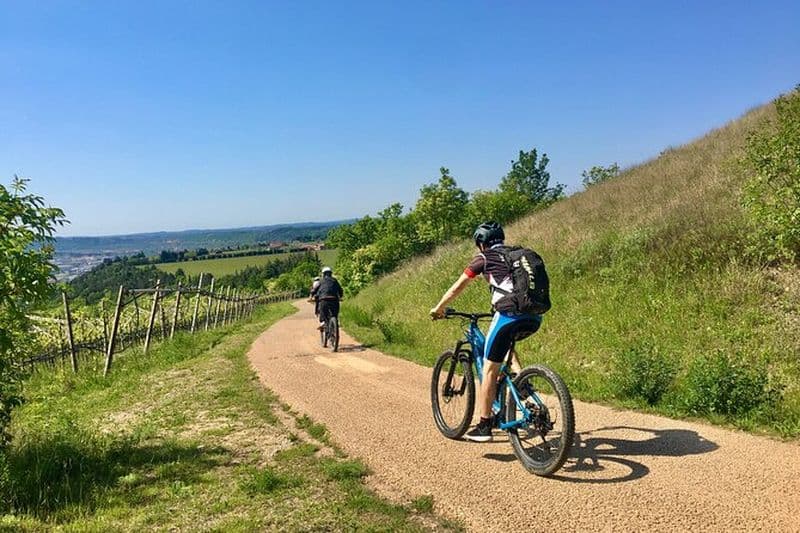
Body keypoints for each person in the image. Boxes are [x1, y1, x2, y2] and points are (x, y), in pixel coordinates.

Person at [429, 222, 542, 442]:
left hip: (508, 314)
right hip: (534, 315)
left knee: (490, 369)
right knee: (506, 348)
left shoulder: (484, 258)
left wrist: (438, 308)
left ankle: (484, 426)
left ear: (481, 243)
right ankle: (522, 383)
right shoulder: (517, 254)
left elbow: (458, 286)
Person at [311, 266, 343, 331]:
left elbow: (314, 290)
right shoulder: (334, 280)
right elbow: (340, 290)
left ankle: (323, 323)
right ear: (331, 273)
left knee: (323, 312)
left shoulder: (321, 281)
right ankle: (336, 321)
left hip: (323, 300)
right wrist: (340, 296)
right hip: (334, 300)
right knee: (335, 313)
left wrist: (312, 295)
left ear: (323, 274)